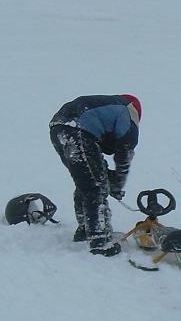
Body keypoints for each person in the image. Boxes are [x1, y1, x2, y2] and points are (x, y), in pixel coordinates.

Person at [49, 94, 141, 256]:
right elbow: (125, 151)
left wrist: (108, 178)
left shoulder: (107, 108)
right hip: (77, 129)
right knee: (95, 186)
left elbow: (97, 160)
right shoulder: (129, 110)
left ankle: (85, 229)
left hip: (59, 128)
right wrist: (118, 183)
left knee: (86, 181)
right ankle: (99, 241)